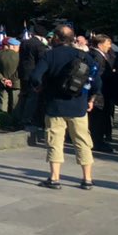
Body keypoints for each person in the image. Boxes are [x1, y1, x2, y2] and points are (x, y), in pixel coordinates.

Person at [30, 25, 99, 189]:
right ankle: (87, 179)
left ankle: (54, 178)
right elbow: (96, 80)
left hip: (55, 106)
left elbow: (35, 76)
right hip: (78, 106)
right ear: (73, 38)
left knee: (55, 142)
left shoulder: (50, 55)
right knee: (82, 142)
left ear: (55, 38)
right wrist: (92, 98)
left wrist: (38, 87)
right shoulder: (84, 56)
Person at [88, 34, 116, 153]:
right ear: (100, 45)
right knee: (97, 118)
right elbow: (97, 76)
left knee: (100, 117)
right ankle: (96, 141)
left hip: (103, 91)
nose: (109, 46)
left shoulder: (99, 55)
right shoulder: (97, 56)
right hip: (99, 92)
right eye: (107, 43)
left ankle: (98, 139)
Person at [0, 38, 21, 114]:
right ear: (13, 46)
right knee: (15, 104)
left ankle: (2, 120)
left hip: (2, 82)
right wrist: (11, 80)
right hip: (16, 83)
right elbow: (20, 69)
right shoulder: (19, 56)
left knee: (2, 103)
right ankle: (13, 122)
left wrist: (3, 79)